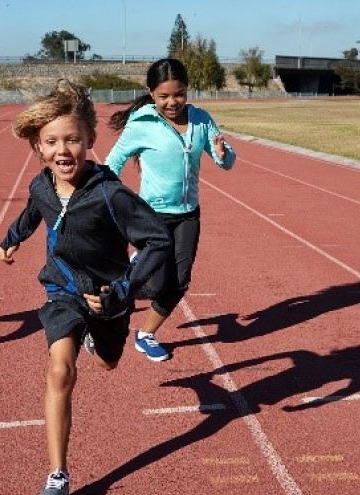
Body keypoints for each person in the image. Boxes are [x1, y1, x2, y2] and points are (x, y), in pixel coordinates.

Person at [0, 80, 171, 495]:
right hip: (62, 289)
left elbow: (157, 241)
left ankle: (98, 340)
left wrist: (124, 289)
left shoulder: (110, 195)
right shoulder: (41, 184)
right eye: (52, 141)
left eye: (73, 139)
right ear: (38, 148)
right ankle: (58, 474)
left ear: (89, 140)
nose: (63, 150)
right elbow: (34, 210)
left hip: (110, 297)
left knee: (109, 363)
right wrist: (12, 238)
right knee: (59, 371)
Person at [105, 58, 237, 362]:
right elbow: (113, 163)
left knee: (180, 281)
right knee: (157, 284)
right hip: (151, 214)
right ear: (151, 93)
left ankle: (145, 335)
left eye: (178, 94)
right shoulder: (141, 123)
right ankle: (130, 274)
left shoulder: (201, 120)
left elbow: (226, 162)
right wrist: (105, 196)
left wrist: (222, 153)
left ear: (186, 90)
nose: (172, 102)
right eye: (163, 96)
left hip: (188, 213)